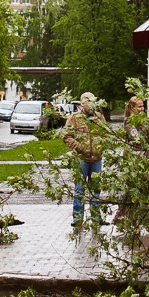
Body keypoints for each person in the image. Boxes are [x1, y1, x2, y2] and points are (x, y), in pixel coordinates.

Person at [63, 91, 108, 228]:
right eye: (90, 102)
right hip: (81, 158)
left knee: (96, 189)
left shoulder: (99, 117)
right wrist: (79, 147)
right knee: (79, 189)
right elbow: (66, 137)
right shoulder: (74, 118)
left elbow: (106, 133)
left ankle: (96, 217)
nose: (92, 105)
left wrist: (101, 146)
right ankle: (77, 219)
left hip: (97, 158)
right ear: (83, 103)